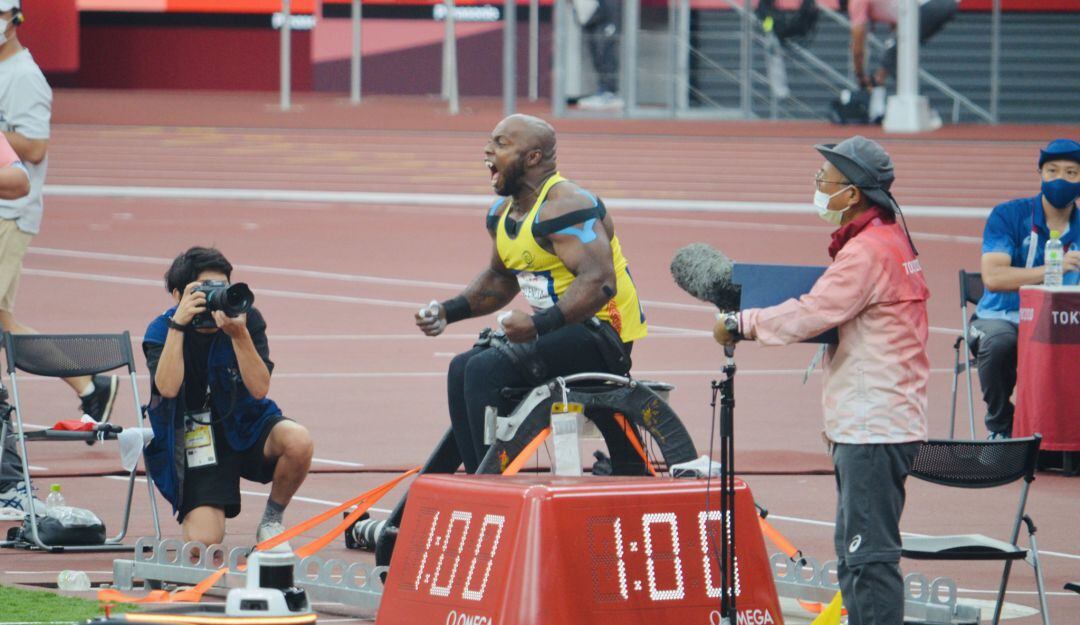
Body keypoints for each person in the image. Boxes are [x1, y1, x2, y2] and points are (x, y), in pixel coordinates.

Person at [713, 136, 929, 625]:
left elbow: (813, 312)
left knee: (868, 557)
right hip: (878, 420)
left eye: (823, 181)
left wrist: (740, 323)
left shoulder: (868, 252)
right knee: (856, 553)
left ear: (852, 193)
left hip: (874, 425)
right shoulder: (888, 239)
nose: (816, 187)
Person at [415, 114, 647, 473]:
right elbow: (500, 278)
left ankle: (489, 488)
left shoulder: (566, 206)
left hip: (603, 334)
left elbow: (600, 282)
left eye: (501, 143)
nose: (488, 149)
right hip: (560, 332)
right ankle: (480, 483)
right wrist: (448, 311)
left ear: (534, 157)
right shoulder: (503, 214)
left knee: (483, 371)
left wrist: (538, 325)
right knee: (461, 368)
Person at [0, 1, 118, 520]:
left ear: (12, 17)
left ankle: (88, 382)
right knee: (2, 321)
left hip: (9, 212)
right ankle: (89, 383)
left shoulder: (24, 76)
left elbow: (37, 147)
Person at [142, 247, 314, 547]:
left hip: (246, 423)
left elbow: (260, 388)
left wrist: (240, 335)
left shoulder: (246, 319)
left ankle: (271, 522)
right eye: (204, 290)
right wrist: (178, 326)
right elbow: (167, 389)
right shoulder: (161, 329)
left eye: (220, 288)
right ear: (178, 294)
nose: (214, 297)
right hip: (197, 436)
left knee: (298, 441)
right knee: (203, 543)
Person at [970, 138, 1080, 439]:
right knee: (999, 343)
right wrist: (1052, 269)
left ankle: (1068, 431)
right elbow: (993, 277)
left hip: (1063, 323)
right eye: (1053, 171)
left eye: (1072, 173)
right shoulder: (1009, 215)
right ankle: (1001, 428)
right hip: (1002, 317)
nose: (1061, 179)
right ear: (1040, 174)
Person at [848, 0, 957, 123]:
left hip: (930, 5)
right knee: (893, 55)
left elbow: (857, 47)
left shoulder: (856, 3)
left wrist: (860, 75)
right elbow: (895, 28)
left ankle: (926, 112)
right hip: (943, 5)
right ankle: (878, 94)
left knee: (891, 56)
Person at [573, 0, 622, 111]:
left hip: (606, 16)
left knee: (605, 53)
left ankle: (610, 92)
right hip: (590, 15)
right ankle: (603, 90)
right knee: (596, 54)